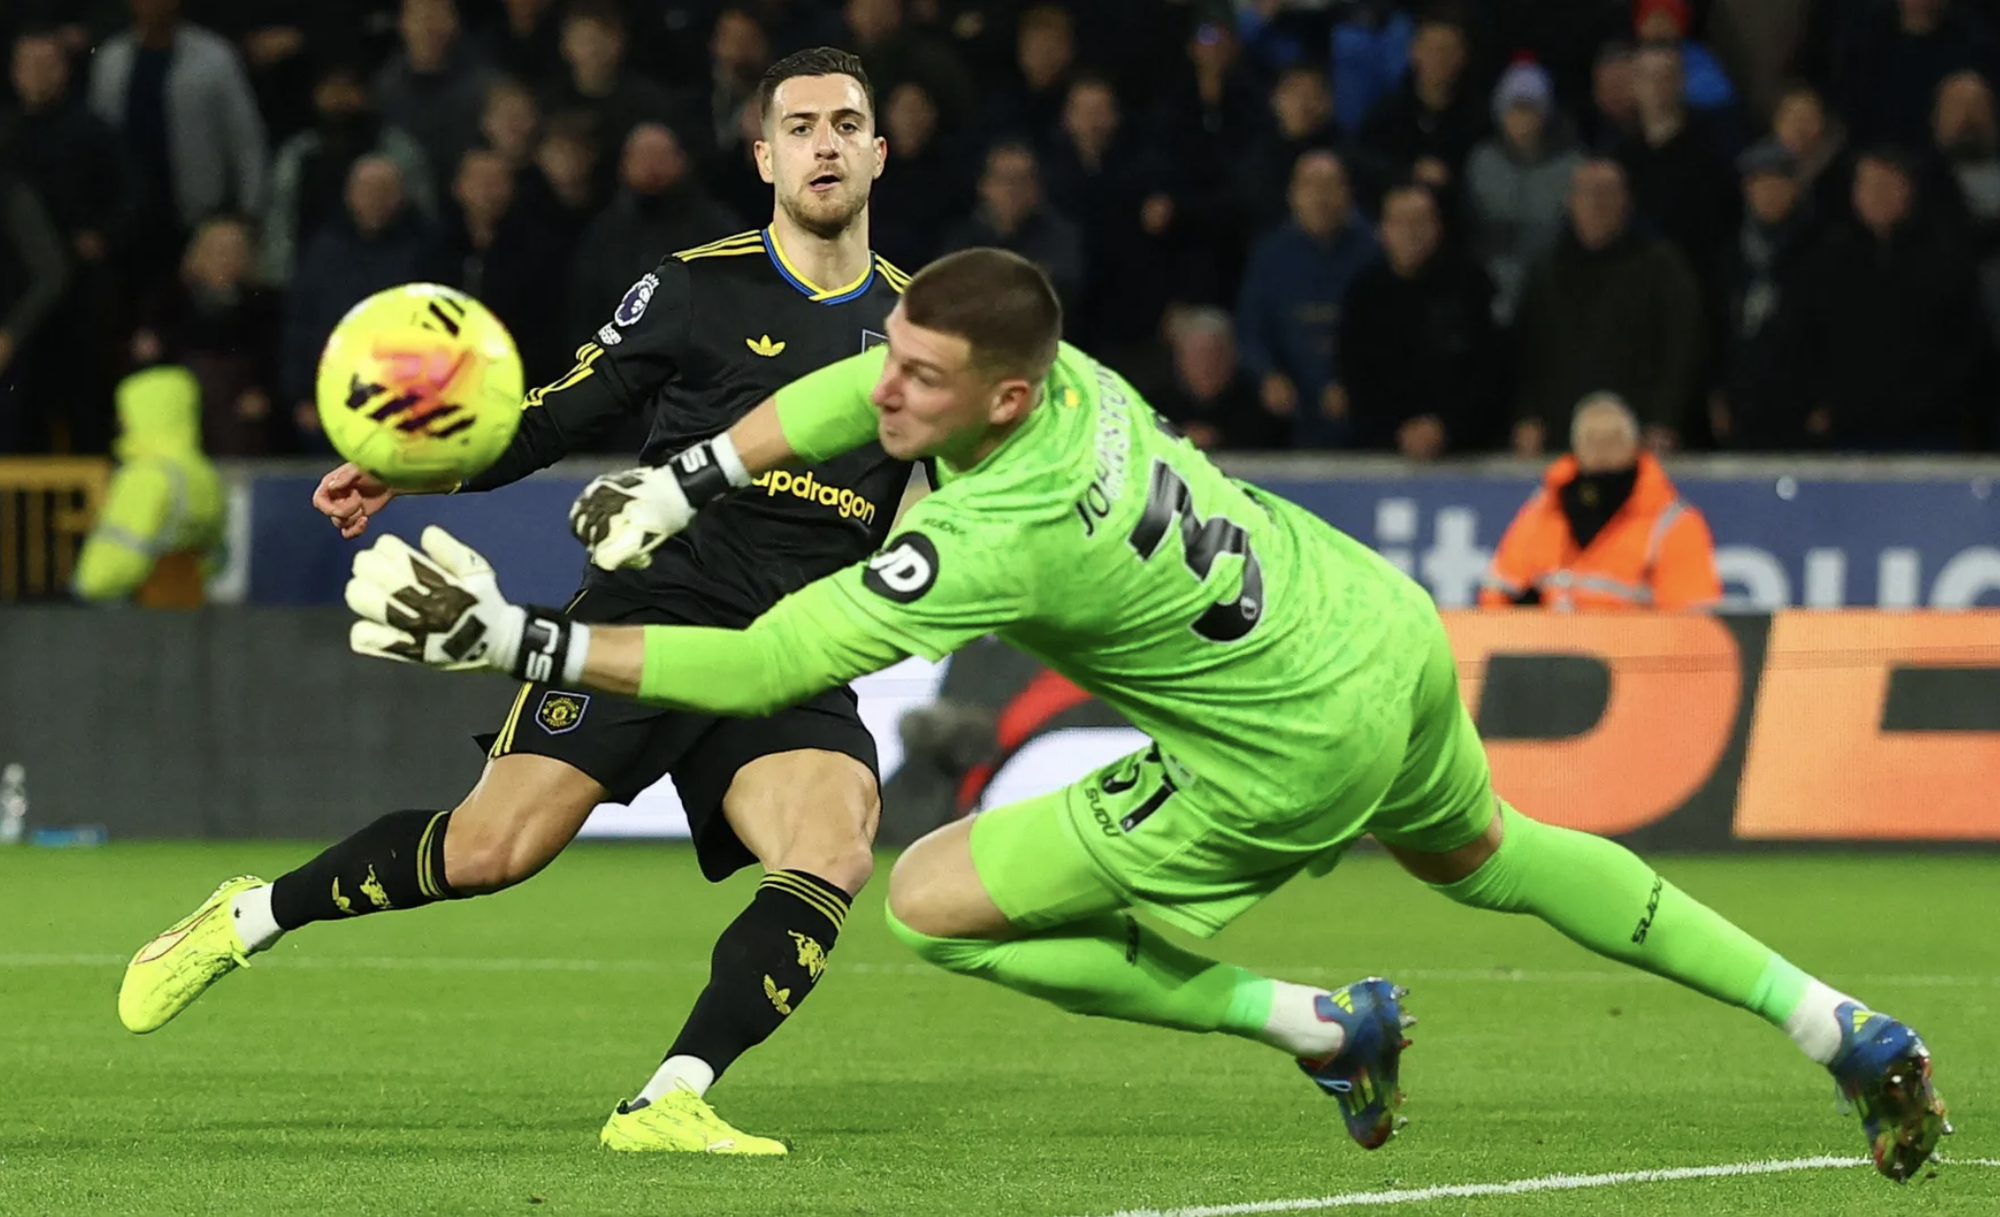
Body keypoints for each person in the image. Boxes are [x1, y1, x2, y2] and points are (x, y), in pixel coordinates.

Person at [343, 247, 1944, 1183]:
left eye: (916, 378)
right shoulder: (1061, 370)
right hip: (1371, 626)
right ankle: (1832, 1025)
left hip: (1279, 752)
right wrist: (693, 470)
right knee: (1499, 852)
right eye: (890, 361)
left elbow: (763, 668)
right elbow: (851, 392)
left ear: (1005, 402)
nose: (884, 394)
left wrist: (518, 637)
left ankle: (1315, 1024)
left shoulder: (993, 528)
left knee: (932, 901)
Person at [117, 48, 916, 1158]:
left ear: (879, 151)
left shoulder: (926, 333)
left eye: (845, 124)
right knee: (492, 849)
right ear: (764, 155)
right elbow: (546, 416)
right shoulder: (694, 285)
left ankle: (669, 1096)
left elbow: (958, 491)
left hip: (790, 646)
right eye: (800, 127)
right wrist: (411, 465)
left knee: (832, 847)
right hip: (653, 612)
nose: (823, 143)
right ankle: (249, 915)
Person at [1480, 393, 1720, 610]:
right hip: (1547, 653)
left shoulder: (1673, 523)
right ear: (1576, 444)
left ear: (1634, 444)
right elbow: (1499, 595)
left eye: (1613, 437)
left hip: (1634, 654)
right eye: (1592, 437)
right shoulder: (1544, 508)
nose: (1602, 446)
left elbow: (1694, 626)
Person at [71, 364, 223, 607]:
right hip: (189, 603)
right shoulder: (204, 473)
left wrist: (82, 587)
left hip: (138, 607)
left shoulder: (146, 476)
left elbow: (119, 554)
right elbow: (215, 556)